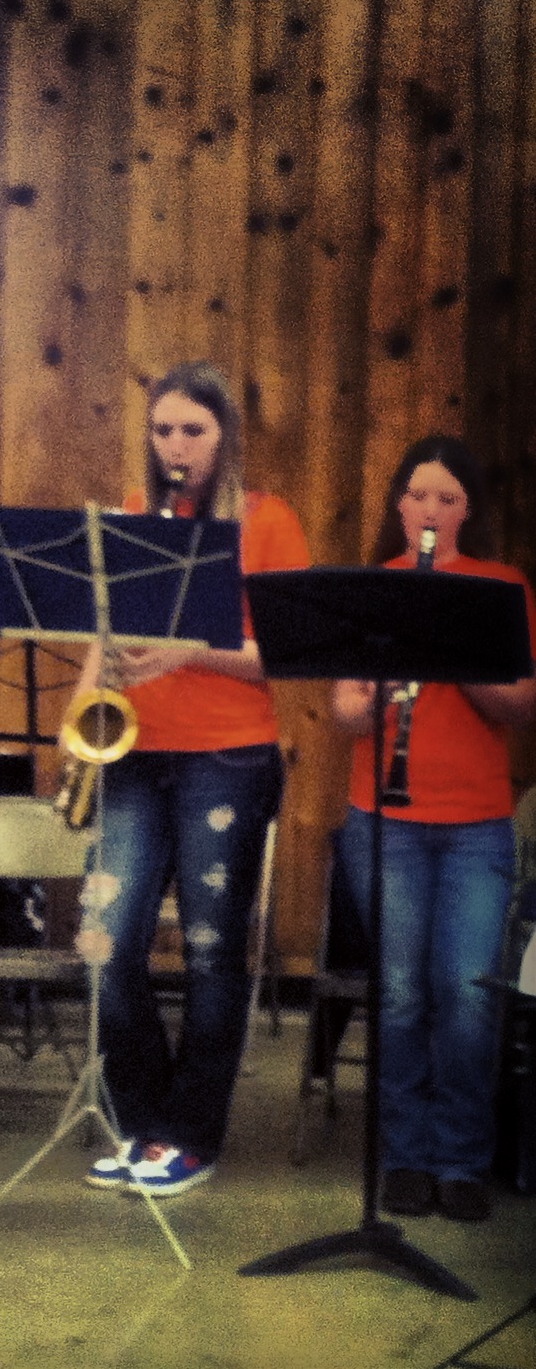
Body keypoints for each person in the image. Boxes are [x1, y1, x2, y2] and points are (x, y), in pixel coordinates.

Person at [78, 360, 310, 1197]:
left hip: (229, 758)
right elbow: (100, 638)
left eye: (194, 431)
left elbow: (282, 655)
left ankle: (189, 1136)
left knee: (213, 952)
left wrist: (188, 650)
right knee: (102, 945)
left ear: (225, 437)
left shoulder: (266, 520)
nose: (176, 446)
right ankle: (143, 1124)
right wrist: (80, 729)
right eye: (163, 429)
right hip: (134, 753)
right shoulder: (135, 520)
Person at [332, 435, 536, 1223]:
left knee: (465, 995)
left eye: (448, 499)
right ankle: (406, 1157)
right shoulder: (374, 587)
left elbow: (522, 707)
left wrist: (455, 655)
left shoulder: (500, 586)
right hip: (384, 818)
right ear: (399, 504)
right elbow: (347, 712)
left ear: (467, 511)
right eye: (419, 495)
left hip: (477, 823)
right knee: (401, 994)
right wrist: (387, 686)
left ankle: (461, 1159)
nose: (431, 510)